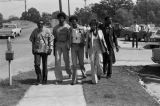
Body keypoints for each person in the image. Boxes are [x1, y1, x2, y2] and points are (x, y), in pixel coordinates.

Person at [29, 20, 53, 84]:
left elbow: (50, 40)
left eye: (41, 24)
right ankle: (39, 78)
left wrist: (50, 48)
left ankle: (44, 79)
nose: (40, 25)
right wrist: (32, 49)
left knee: (44, 65)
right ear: (37, 24)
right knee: (37, 64)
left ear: (43, 24)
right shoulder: (35, 31)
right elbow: (32, 40)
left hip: (45, 50)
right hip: (37, 50)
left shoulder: (47, 30)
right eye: (39, 24)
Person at [85, 19, 108, 84]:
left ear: (96, 26)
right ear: (90, 26)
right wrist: (86, 51)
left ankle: (99, 73)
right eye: (92, 25)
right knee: (92, 64)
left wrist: (106, 49)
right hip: (91, 50)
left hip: (99, 49)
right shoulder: (88, 32)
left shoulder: (100, 31)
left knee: (99, 63)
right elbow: (86, 43)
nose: (93, 26)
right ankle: (94, 79)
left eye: (94, 25)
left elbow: (103, 40)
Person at [53, 12, 72, 84]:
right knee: (57, 61)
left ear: (64, 19)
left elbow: (70, 37)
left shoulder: (68, 27)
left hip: (65, 44)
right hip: (58, 44)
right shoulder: (55, 28)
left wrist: (68, 45)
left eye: (62, 18)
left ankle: (69, 72)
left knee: (67, 61)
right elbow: (54, 38)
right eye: (59, 18)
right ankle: (59, 78)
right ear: (58, 19)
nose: (60, 19)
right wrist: (54, 49)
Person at [69, 16, 87, 85]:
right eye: (72, 21)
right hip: (73, 46)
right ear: (71, 22)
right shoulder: (69, 29)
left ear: (77, 21)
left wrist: (84, 42)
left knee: (81, 62)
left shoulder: (82, 28)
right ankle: (74, 80)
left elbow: (86, 36)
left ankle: (83, 73)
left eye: (74, 20)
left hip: (80, 46)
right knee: (74, 64)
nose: (73, 22)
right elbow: (69, 38)